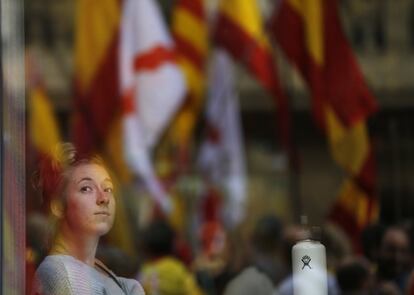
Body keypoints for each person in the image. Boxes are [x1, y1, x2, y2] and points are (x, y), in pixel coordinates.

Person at [31, 143, 145, 295]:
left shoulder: (97, 269)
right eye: (86, 188)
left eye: (108, 189)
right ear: (58, 206)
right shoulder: (58, 272)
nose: (104, 198)